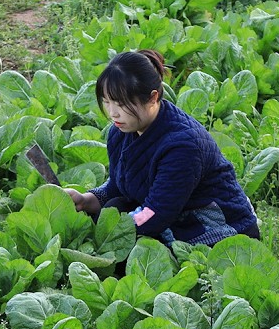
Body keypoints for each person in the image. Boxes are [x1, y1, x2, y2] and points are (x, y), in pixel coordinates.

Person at [65, 49, 261, 247]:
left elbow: (155, 213)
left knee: (133, 247)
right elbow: (118, 186)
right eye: (107, 102)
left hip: (215, 227)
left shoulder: (182, 146)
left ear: (153, 98)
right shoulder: (120, 131)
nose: (113, 113)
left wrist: (115, 231)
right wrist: (86, 200)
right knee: (114, 208)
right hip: (169, 212)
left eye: (122, 104)